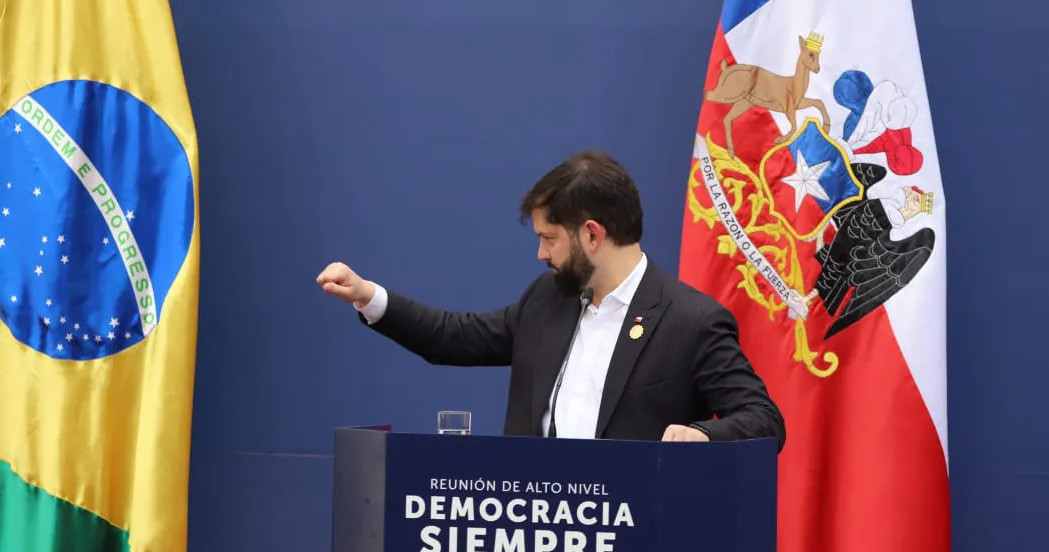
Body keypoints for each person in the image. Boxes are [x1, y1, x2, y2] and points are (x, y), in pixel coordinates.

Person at [316, 149, 785, 447]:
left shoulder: (690, 320)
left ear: (592, 235)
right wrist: (368, 296)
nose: (541, 254)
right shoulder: (548, 299)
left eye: (550, 239)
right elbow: (454, 338)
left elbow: (763, 419)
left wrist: (702, 434)